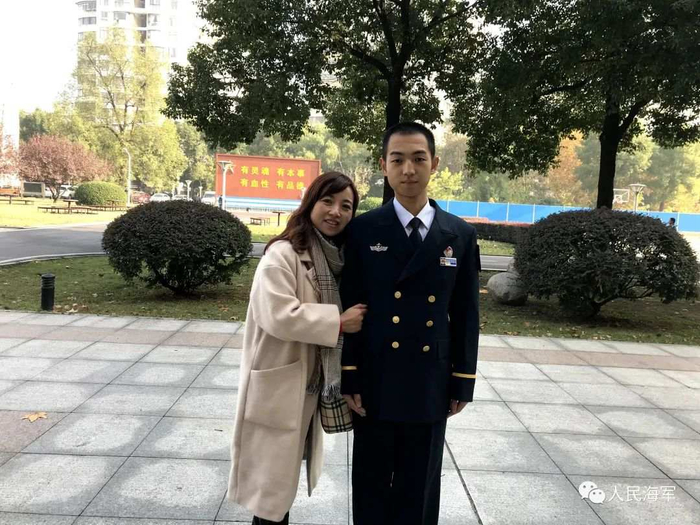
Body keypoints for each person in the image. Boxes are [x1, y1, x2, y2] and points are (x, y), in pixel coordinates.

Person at [340, 122, 480, 525]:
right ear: (383, 165)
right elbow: (352, 306)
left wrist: (463, 381)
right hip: (376, 377)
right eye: (398, 159)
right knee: (370, 485)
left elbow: (467, 315)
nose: (408, 169)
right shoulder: (363, 230)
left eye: (418, 159)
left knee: (419, 489)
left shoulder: (460, 234)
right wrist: (350, 375)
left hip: (430, 380)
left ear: (434, 163)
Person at [228, 172, 367, 524]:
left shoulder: (336, 259)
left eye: (346, 206)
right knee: (271, 491)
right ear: (310, 204)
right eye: (327, 201)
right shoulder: (283, 253)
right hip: (280, 381)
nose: (336, 212)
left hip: (307, 383)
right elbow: (277, 314)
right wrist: (338, 322)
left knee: (280, 484)